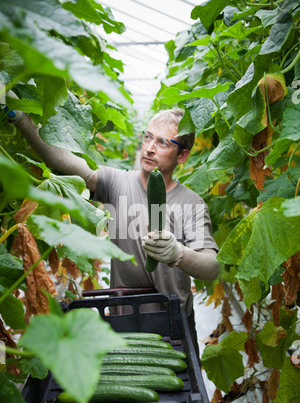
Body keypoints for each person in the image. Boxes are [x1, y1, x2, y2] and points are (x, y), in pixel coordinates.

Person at [5, 93, 219, 353]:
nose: (150, 147)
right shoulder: (118, 182)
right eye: (148, 137)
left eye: (163, 142)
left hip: (173, 321)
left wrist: (179, 254)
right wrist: (19, 117)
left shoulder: (192, 203)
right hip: (124, 315)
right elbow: (63, 161)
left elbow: (211, 267)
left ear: (182, 155)